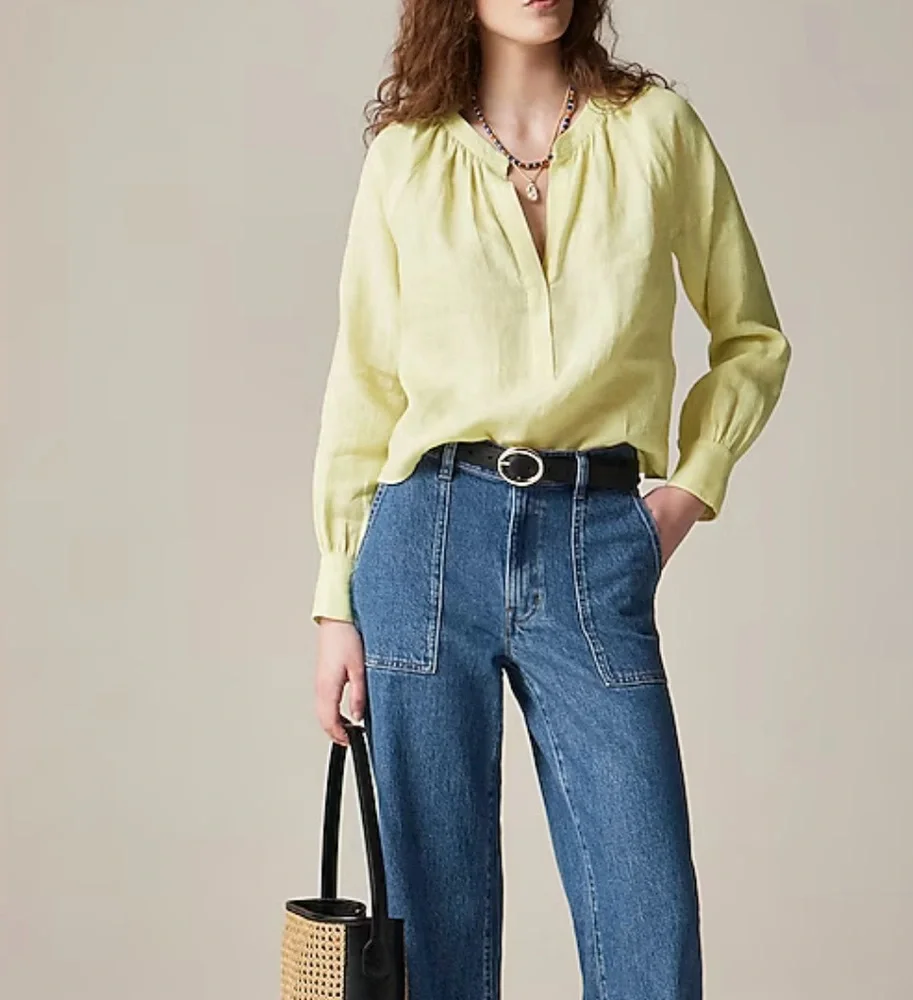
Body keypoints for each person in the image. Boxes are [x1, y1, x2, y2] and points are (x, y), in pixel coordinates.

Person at [310, 1, 791, 997]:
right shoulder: (407, 159)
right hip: (426, 540)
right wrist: (333, 602)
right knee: (433, 938)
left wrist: (686, 491)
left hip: (594, 537)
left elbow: (752, 337)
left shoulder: (655, 130)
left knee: (649, 924)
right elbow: (364, 387)